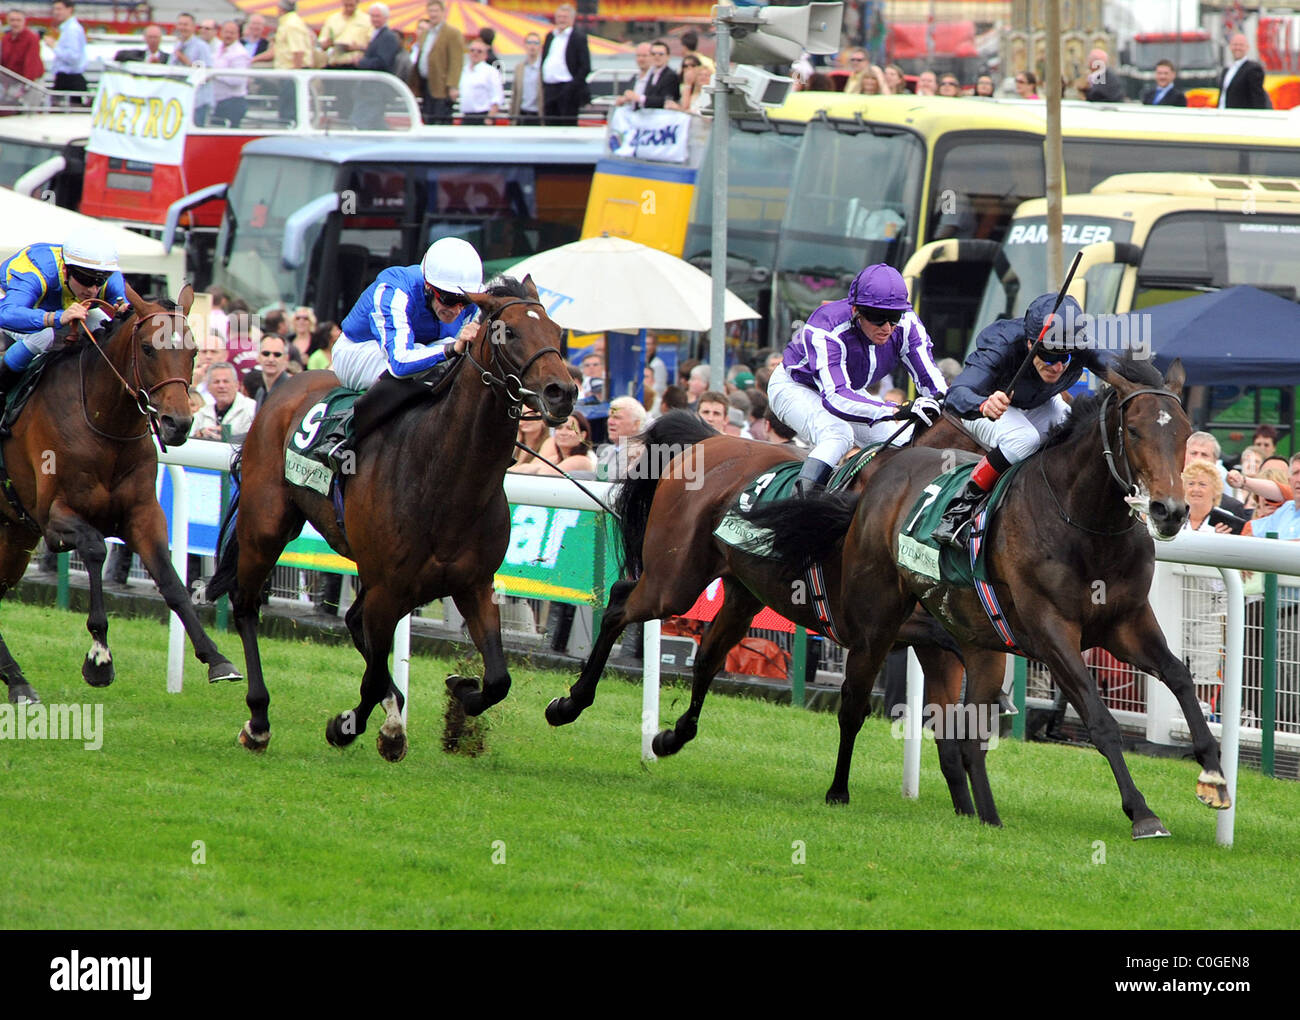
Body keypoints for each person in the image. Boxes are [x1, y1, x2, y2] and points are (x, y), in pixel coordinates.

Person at [934, 294, 1106, 546]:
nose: (1057, 367)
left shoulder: (1077, 343)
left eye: (1064, 357)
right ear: (1029, 344)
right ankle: (959, 509)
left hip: (1036, 403)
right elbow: (956, 395)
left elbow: (1121, 367)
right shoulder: (1001, 343)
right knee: (1023, 439)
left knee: (1073, 432)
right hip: (984, 407)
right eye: (1048, 356)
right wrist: (983, 404)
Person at [768, 263, 947, 497]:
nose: (886, 327)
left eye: (893, 317)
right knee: (838, 434)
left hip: (849, 390)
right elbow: (835, 398)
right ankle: (797, 509)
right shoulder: (827, 328)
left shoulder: (907, 324)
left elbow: (932, 382)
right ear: (855, 310)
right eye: (876, 317)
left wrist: (944, 404)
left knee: (903, 442)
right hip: (795, 386)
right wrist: (896, 410)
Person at [331, 236, 482, 396]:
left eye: (466, 301)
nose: (458, 311)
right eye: (449, 300)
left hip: (419, 349)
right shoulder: (396, 290)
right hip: (358, 352)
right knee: (446, 352)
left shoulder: (472, 298)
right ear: (428, 286)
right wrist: (452, 348)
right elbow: (400, 363)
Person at [0, 229, 129, 400]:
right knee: (44, 336)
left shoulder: (109, 278)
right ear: (65, 270)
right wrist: (57, 317)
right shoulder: (35, 273)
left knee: (105, 327)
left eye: (100, 281)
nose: (93, 289)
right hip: (14, 304)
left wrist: (125, 312)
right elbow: (7, 314)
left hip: (66, 307)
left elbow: (128, 311)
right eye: (86, 279)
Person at [413, 0, 462, 125]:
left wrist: (453, 86)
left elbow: (456, 61)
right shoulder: (426, 33)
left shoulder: (452, 33)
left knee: (441, 119)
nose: (433, 14)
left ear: (443, 12)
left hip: (442, 86)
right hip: (425, 83)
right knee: (427, 118)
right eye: (430, 11)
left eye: (436, 11)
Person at [541, 3, 590, 126]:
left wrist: (573, 86)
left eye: (565, 17)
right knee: (550, 123)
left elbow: (585, 66)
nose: (562, 20)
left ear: (572, 19)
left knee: (566, 124)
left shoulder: (578, 37)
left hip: (567, 88)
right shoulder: (550, 36)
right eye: (559, 17)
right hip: (550, 87)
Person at [191, 362, 255, 441]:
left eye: (226, 381)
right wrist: (198, 435)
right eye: (216, 382)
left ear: (237, 385)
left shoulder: (252, 409)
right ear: (208, 387)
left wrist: (227, 438)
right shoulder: (202, 413)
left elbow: (254, 440)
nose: (221, 386)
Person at [210, 21, 252, 128]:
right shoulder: (217, 49)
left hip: (233, 103)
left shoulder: (240, 53)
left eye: (232, 33)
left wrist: (215, 74)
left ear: (238, 35)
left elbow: (238, 80)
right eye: (226, 32)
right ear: (221, 33)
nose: (228, 35)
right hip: (218, 102)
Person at [459, 36, 505, 124]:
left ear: (485, 55)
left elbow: (497, 97)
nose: (475, 53)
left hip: (483, 116)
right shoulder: (464, 71)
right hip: (466, 117)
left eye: (479, 51)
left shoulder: (491, 72)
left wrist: (489, 118)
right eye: (472, 50)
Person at [1219, 33, 1271, 110]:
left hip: (1240, 118)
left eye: (1241, 45)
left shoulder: (1253, 69)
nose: (1237, 48)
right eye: (1235, 45)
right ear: (1230, 47)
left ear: (1247, 47)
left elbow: (1258, 98)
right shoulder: (1226, 70)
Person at [2, 11, 44, 102]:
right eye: (12, 20)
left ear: (24, 21)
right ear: (8, 21)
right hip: (12, 82)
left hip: (31, 82)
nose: (15, 23)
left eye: (18, 20)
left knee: (28, 112)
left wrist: (26, 85)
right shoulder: (6, 39)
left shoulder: (32, 38)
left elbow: (31, 63)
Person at [49, 0, 87, 100]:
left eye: (59, 9)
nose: (56, 12)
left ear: (69, 9)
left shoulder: (72, 30)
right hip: (65, 78)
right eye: (54, 9)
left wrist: (54, 46)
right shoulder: (67, 28)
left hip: (70, 79)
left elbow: (73, 57)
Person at [319, 0, 370, 69]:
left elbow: (373, 45)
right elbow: (322, 43)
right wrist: (327, 43)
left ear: (357, 3)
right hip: (335, 63)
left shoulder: (367, 20)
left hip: (355, 64)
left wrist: (359, 47)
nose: (348, 8)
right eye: (346, 5)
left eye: (351, 5)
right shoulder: (332, 19)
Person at [510, 32, 544, 123]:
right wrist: (512, 117)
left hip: (539, 115)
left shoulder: (544, 68)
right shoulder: (519, 68)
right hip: (522, 113)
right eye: (529, 43)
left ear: (540, 46)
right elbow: (515, 94)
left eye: (536, 43)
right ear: (525, 45)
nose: (532, 46)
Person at [252, 334, 290, 411]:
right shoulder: (260, 392)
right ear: (258, 357)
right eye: (266, 354)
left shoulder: (291, 391)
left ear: (286, 358)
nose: (271, 359)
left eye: (277, 355)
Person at [639, 39, 679, 109]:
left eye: (661, 54)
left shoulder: (671, 76)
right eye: (653, 54)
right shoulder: (650, 74)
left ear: (668, 56)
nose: (656, 57)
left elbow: (666, 100)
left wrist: (641, 99)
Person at [616, 41, 651, 106]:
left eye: (644, 56)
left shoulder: (658, 78)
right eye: (638, 56)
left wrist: (637, 98)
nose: (641, 59)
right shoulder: (635, 77)